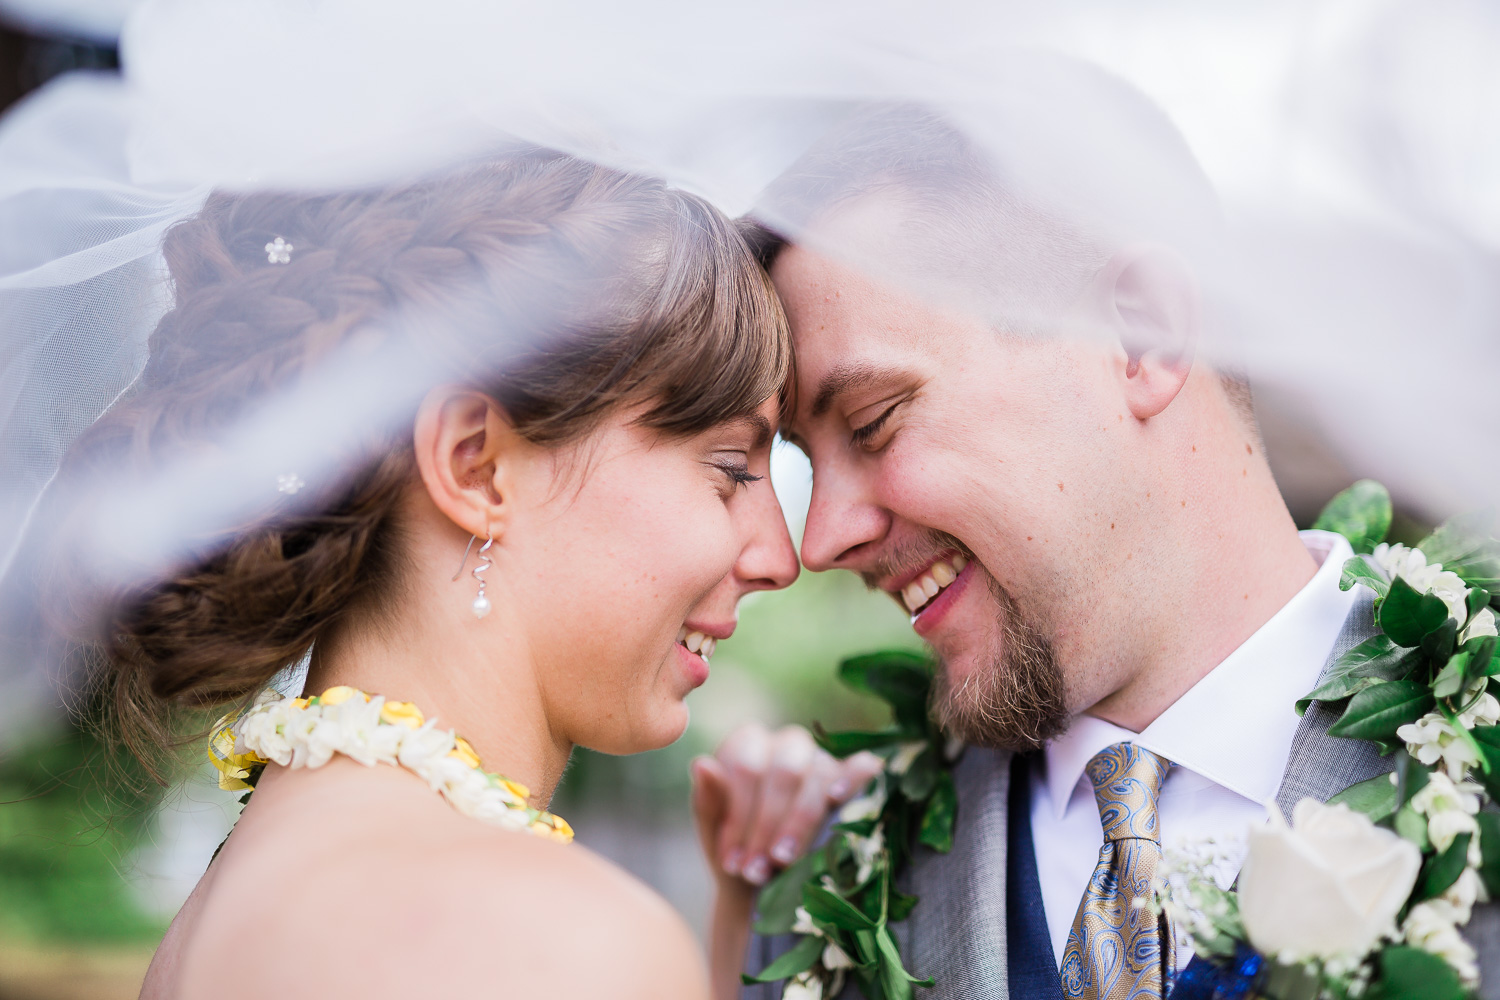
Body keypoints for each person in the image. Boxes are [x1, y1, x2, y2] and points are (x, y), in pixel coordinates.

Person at [35, 149, 878, 1000]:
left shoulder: (223, 907)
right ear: (476, 465)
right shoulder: (560, 941)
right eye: (731, 468)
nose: (781, 556)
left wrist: (743, 910)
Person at [733, 99, 1500, 999]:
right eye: (802, 464)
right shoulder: (822, 893)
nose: (819, 538)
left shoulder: (1474, 772)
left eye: (873, 422)